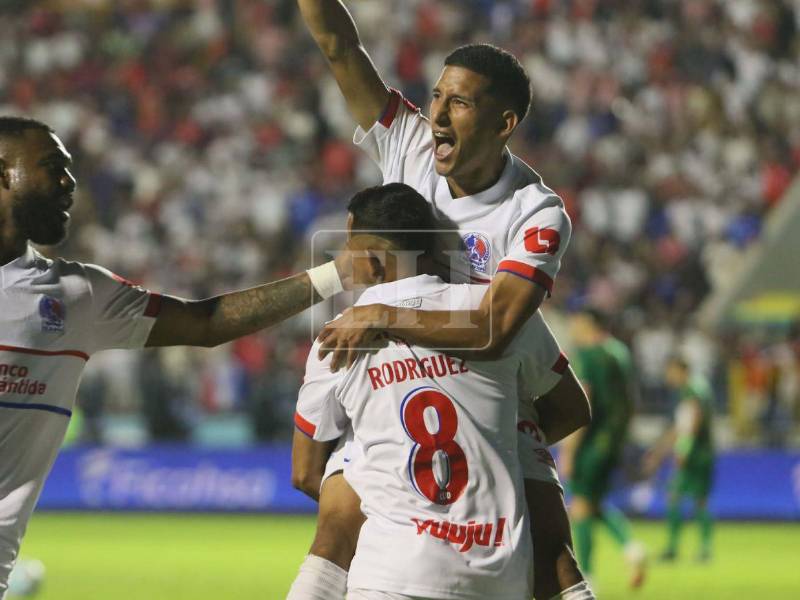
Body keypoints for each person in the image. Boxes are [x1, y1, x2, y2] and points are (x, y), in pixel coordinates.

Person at [295, 3, 590, 598]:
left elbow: (499, 324)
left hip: (493, 379)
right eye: (435, 98)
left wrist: (383, 315)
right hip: (403, 385)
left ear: (504, 123)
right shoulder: (408, 144)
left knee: (550, 546)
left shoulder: (534, 211)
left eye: (458, 102)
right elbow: (338, 46)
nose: (436, 116)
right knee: (337, 517)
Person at [0, 116, 352, 599]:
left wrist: (338, 273)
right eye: (50, 166)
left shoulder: (77, 294)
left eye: (69, 168)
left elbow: (206, 322)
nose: (69, 182)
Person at [289, 182, 588, 600]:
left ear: (369, 257)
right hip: (498, 576)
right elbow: (573, 409)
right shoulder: (497, 310)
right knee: (557, 556)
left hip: (391, 574)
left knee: (334, 515)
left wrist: (376, 454)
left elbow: (304, 473)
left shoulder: (338, 338)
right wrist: (497, 439)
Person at [559, 309, 646, 588]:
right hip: (615, 441)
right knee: (593, 504)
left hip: (593, 443)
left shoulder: (589, 354)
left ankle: (587, 579)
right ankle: (632, 548)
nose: (572, 326)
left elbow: (584, 402)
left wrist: (570, 449)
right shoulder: (619, 352)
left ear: (587, 322)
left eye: (575, 320)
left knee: (581, 507)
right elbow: (631, 400)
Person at [644, 356, 716, 562]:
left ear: (680, 369)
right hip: (705, 453)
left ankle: (674, 547)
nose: (668, 377)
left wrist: (682, 451)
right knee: (700, 500)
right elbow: (683, 426)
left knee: (675, 496)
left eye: (670, 371)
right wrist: (660, 450)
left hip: (694, 454)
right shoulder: (700, 387)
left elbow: (690, 424)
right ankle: (705, 548)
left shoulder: (691, 391)